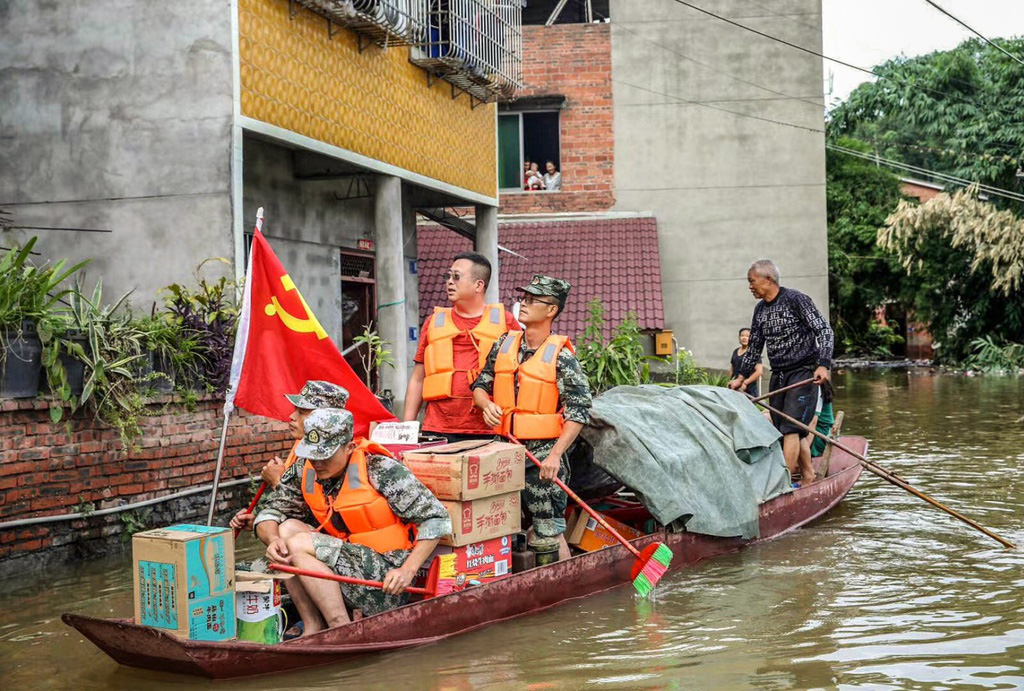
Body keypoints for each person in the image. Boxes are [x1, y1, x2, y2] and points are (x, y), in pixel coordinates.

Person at [254, 408, 452, 634]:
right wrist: (272, 539)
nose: (318, 462)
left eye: (326, 455)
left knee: (296, 544)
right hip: (345, 559)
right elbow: (269, 512)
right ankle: (313, 624)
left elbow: (437, 518)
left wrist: (407, 571)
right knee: (285, 530)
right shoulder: (306, 469)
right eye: (313, 454)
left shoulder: (380, 469)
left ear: (349, 448)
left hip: (385, 578)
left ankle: (340, 625)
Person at [472, 275, 593, 562]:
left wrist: (555, 455)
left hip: (542, 457)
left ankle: (562, 588)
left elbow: (578, 411)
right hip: (503, 449)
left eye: (532, 300)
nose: (523, 304)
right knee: (501, 528)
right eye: (523, 298)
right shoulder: (504, 343)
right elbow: (480, 384)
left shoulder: (562, 357)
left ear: (551, 310)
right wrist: (484, 404)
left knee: (548, 531)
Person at [728, 259, 834, 486]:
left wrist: (823, 364)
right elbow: (755, 347)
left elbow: (824, 331)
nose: (750, 286)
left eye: (752, 281)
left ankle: (780, 484)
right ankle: (808, 476)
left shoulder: (797, 300)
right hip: (779, 375)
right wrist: (740, 378)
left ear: (768, 279)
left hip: (803, 373)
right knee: (788, 428)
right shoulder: (760, 310)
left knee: (791, 429)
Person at [404, 252, 520, 443]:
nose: (449, 282)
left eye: (456, 277)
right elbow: (418, 379)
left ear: (478, 285)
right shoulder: (433, 322)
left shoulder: (505, 321)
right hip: (438, 429)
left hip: (489, 430)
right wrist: (406, 429)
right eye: (448, 276)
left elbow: (520, 374)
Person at [229, 380, 350, 533]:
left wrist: (277, 481)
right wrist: (258, 520)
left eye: (302, 412)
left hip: (349, 548)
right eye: (295, 410)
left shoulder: (341, 457)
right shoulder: (301, 454)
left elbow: (333, 520)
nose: (292, 417)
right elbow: (290, 506)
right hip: (316, 544)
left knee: (287, 531)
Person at [729, 327, 762, 398]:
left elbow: (759, 371)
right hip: (735, 387)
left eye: (747, 336)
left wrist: (745, 383)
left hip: (748, 388)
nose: (744, 338)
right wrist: (730, 381)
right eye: (742, 336)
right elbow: (732, 368)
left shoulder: (753, 353)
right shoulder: (735, 351)